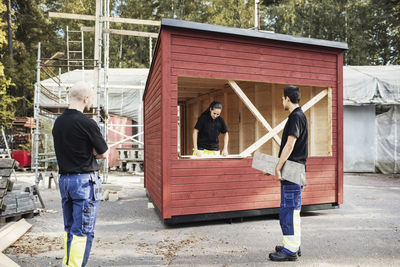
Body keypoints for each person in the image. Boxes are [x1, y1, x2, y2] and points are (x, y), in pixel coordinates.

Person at [52, 82, 108, 267]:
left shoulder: (58, 123)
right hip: (84, 182)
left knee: (70, 229)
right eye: (90, 98)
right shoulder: (87, 123)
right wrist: (91, 152)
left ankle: (68, 264)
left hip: (65, 181)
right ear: (85, 99)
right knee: (83, 232)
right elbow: (104, 153)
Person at [269, 85, 308, 262]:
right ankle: (293, 243)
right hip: (294, 169)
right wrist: (272, 166)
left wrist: (277, 167)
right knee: (292, 210)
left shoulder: (295, 117)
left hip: (292, 170)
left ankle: (290, 250)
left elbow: (290, 144)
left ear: (287, 99)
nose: (282, 101)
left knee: (289, 211)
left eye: (282, 98)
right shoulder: (299, 116)